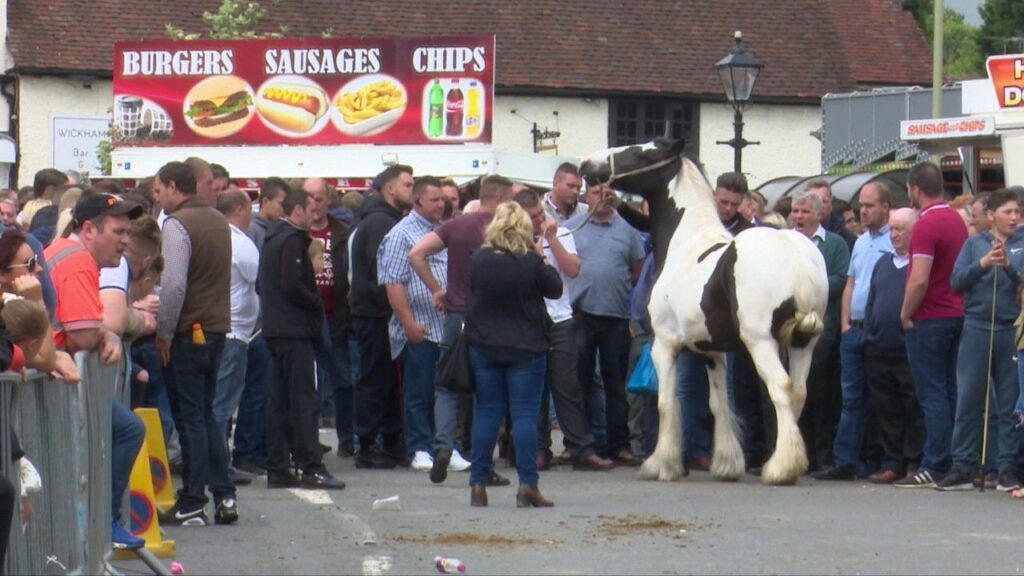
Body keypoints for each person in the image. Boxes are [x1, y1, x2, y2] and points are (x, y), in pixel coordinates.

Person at [43, 193, 147, 548]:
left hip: (52, 374)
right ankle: (104, 524)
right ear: (88, 229)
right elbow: (83, 332)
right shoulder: (77, 261)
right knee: (129, 429)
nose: (125, 240)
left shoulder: (62, 251)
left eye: (126, 232)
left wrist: (103, 333)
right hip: (53, 379)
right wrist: (105, 334)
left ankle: (94, 526)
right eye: (117, 231)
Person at [409, 175, 516, 484]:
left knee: (447, 385)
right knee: (489, 391)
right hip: (494, 318)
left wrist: (436, 289)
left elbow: (416, 254)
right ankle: (483, 462)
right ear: (498, 200)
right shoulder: (504, 229)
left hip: (457, 315)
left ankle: (443, 445)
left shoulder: (456, 225)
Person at [153, 161, 238, 525]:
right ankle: (225, 495)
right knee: (206, 414)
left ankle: (191, 501)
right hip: (218, 327)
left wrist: (164, 332)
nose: (157, 199)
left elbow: (173, 284)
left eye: (159, 191)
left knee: (190, 416)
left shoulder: (177, 224)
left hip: (189, 330)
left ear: (174, 186)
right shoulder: (219, 220)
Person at [466, 201, 563, 508]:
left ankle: (478, 483)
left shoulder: (479, 259)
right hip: (526, 347)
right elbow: (555, 288)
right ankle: (527, 485)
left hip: (485, 345)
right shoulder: (530, 261)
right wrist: (541, 255)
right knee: (524, 416)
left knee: (488, 414)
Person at [516, 189, 614, 472]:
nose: (538, 220)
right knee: (534, 388)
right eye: (532, 217)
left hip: (560, 320)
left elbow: (572, 270)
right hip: (529, 321)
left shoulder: (562, 234)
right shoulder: (514, 239)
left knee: (567, 386)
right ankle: (538, 448)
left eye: (539, 214)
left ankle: (581, 447)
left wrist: (551, 239)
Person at [935, 189, 1024, 492]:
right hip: (976, 326)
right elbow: (956, 282)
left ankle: (1006, 468)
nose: (1014, 217)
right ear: (991, 215)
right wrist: (983, 264)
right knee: (969, 398)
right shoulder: (973, 245)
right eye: (1008, 212)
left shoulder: (1022, 245)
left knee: (1010, 403)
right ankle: (962, 466)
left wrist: (1010, 269)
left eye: (1017, 212)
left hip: (1010, 329)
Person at [259, 189, 346, 489]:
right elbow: (292, 283)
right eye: (311, 210)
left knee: (280, 400)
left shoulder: (272, 238)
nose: (315, 216)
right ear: (297, 210)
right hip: (295, 330)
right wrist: (315, 301)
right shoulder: (293, 240)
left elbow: (263, 284)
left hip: (276, 328)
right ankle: (310, 466)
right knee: (304, 399)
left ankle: (278, 465)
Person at [896, 162, 969, 488]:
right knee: (952, 390)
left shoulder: (925, 225)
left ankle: (935, 463)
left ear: (914, 188)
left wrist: (905, 313)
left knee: (932, 393)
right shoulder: (955, 219)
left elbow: (919, 279)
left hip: (930, 317)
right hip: (957, 312)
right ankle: (956, 460)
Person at [814, 181, 893, 480]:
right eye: (862, 205)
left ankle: (878, 458)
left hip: (879, 329)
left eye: (870, 205)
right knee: (851, 397)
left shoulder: (894, 239)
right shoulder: (860, 242)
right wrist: (846, 324)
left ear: (885, 207)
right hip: (854, 329)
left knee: (881, 397)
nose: (863, 211)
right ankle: (845, 459)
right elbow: (851, 284)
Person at [566, 183, 646, 465]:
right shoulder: (572, 227)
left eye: (608, 193)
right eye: (597, 192)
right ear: (586, 197)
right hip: (581, 314)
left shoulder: (627, 231)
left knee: (616, 384)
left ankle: (618, 445)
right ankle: (579, 443)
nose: (603, 198)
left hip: (616, 316)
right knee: (580, 381)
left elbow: (637, 269)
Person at [378, 176, 447, 470]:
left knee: (443, 390)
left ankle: (442, 445)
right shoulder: (400, 235)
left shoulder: (442, 231)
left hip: (445, 325)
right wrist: (408, 324)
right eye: (435, 200)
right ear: (418, 201)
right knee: (418, 391)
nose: (441, 205)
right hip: (419, 325)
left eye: (443, 199)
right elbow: (393, 282)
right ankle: (419, 447)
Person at [350, 165, 414, 469]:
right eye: (408, 185)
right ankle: (368, 442)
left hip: (379, 311)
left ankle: (388, 439)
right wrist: (395, 305)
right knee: (375, 377)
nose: (412, 191)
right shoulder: (379, 223)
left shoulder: (385, 220)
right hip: (376, 313)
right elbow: (382, 272)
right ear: (391, 189)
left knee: (388, 379)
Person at [790, 187, 850, 473]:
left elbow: (839, 279)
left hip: (821, 330)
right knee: (792, 393)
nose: (799, 216)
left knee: (821, 396)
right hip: (788, 331)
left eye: (805, 211)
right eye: (796, 211)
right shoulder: (783, 242)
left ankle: (822, 456)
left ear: (819, 214)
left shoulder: (835, 244)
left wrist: (809, 287)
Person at [210, 190, 261, 482]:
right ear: (240, 208)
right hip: (234, 331)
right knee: (221, 405)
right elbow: (259, 278)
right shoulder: (240, 243)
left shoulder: (219, 237)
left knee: (218, 403)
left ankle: (217, 465)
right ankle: (220, 469)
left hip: (225, 328)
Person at [302, 177, 354, 456]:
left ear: (329, 200)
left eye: (320, 198)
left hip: (335, 317)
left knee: (343, 379)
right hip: (304, 318)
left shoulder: (341, 232)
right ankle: (308, 438)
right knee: (307, 383)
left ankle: (348, 437)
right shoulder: (294, 232)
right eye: (309, 198)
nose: (315, 204)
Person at [249, 177, 289, 251]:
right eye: (281, 204)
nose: (285, 209)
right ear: (265, 202)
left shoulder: (282, 230)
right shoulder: (251, 230)